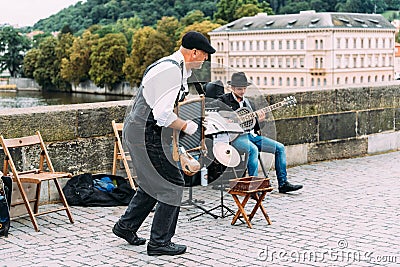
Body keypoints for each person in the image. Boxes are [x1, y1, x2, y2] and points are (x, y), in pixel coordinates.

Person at [113, 31, 215, 256]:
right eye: (205, 54)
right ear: (194, 52)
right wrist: (188, 127)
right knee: (173, 185)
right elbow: (162, 116)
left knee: (152, 184)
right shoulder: (171, 71)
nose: (206, 59)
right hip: (146, 134)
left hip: (142, 132)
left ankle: (126, 226)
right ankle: (159, 243)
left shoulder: (175, 68)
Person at [217, 72, 303, 193]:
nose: (242, 91)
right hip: (236, 138)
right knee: (253, 150)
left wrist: (260, 120)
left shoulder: (249, 102)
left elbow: (255, 125)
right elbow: (213, 110)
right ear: (232, 88)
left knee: (280, 148)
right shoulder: (224, 100)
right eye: (239, 89)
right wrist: (228, 118)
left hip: (252, 135)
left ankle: (283, 184)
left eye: (244, 88)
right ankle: (253, 187)